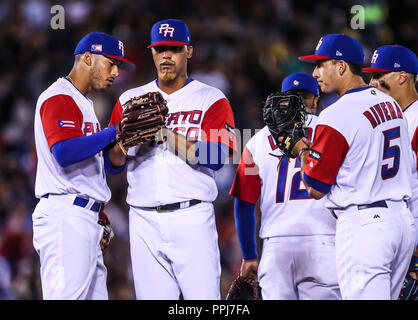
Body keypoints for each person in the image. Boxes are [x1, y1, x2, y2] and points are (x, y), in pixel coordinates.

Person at [108, 19, 237, 300]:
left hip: (191, 217)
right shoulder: (129, 99)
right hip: (142, 220)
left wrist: (163, 133)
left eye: (174, 49)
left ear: (188, 51)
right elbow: (112, 163)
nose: (166, 55)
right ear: (151, 53)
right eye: (159, 49)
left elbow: (216, 157)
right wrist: (124, 142)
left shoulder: (211, 98)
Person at [293, 34, 416, 299]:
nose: (315, 73)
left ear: (341, 67)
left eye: (320, 65)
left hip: (366, 227)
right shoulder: (391, 104)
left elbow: (315, 187)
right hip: (402, 224)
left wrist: (300, 150)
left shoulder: (337, 114)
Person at [32, 32, 135, 299]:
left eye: (118, 66)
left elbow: (106, 168)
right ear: (88, 58)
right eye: (110, 63)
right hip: (65, 216)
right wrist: (114, 131)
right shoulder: (59, 96)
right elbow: (64, 152)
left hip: (85, 216)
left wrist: (121, 142)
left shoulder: (84, 103)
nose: (116, 72)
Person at [229, 72, 340, 300]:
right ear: (315, 100)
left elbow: (244, 202)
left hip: (276, 245)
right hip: (323, 241)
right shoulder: (330, 131)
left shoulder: (256, 141)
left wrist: (249, 255)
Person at [363, 44, 418, 282]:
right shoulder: (389, 119)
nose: (372, 83)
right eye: (371, 75)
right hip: (393, 233)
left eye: (379, 75)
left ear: (402, 76)